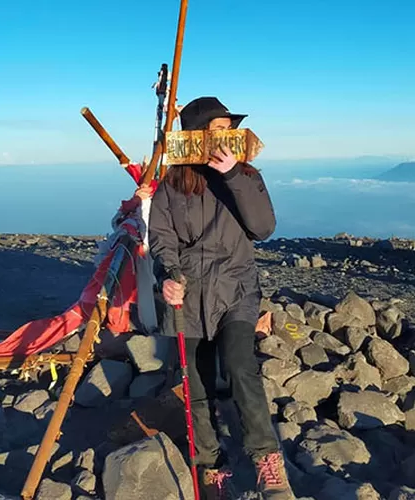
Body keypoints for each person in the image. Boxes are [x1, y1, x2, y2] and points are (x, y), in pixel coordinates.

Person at [148, 96, 292, 500]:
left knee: (239, 363)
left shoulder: (246, 175)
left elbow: (264, 228)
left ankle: (267, 458)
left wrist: (234, 177)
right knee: (195, 382)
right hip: (188, 294)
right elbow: (161, 239)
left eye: (229, 128)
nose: (226, 136)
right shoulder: (172, 185)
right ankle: (211, 466)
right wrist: (168, 276)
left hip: (236, 286)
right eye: (216, 129)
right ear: (194, 136)